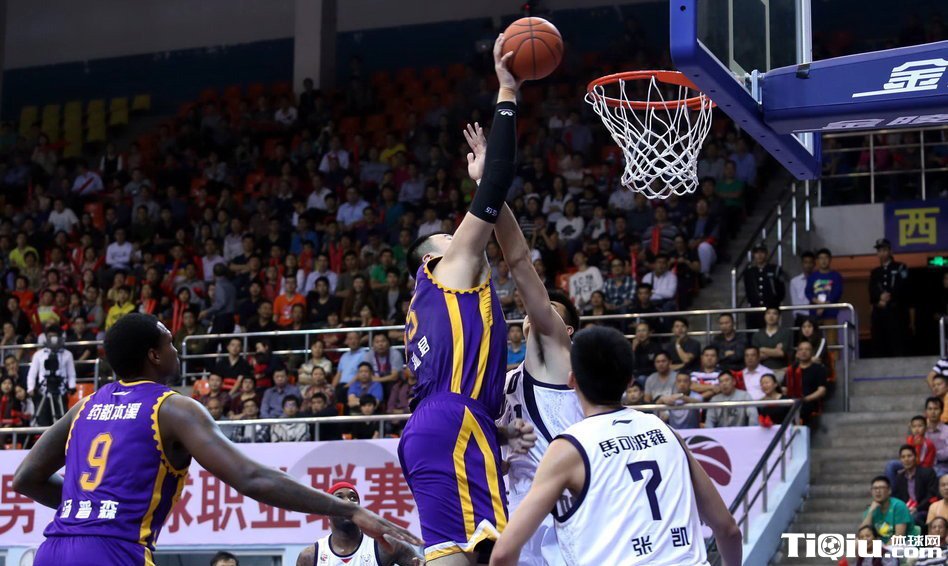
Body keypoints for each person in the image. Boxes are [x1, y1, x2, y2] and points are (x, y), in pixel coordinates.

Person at [13, 313, 420, 565]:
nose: (176, 349)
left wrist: (89, 507)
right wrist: (348, 509)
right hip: (114, 552)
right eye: (170, 342)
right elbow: (252, 478)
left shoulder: (84, 407)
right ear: (154, 355)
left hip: (52, 550)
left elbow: (25, 478)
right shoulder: (172, 408)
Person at [399, 38, 535, 565]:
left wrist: (494, 427)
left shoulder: (422, 306)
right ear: (434, 255)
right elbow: (498, 180)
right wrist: (507, 91)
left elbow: (442, 387)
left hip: (431, 427)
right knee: (492, 555)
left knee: (459, 552)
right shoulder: (450, 265)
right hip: (455, 422)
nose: (461, 235)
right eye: (449, 235)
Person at [489, 326, 742, 566]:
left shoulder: (569, 447)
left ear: (572, 380)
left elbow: (503, 553)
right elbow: (728, 529)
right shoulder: (668, 432)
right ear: (630, 381)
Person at [296, 483, 423, 566]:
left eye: (353, 498)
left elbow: (424, 562)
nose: (348, 502)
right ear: (327, 511)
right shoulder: (310, 557)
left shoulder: (385, 545)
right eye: (339, 498)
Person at [26, 327, 77, 426]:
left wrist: (72, 386)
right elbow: (32, 373)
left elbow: (71, 373)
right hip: (43, 391)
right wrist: (30, 388)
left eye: (55, 336)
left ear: (60, 337)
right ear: (46, 338)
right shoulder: (39, 354)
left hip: (60, 391)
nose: (53, 339)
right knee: (42, 420)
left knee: (61, 422)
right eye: (50, 336)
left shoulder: (67, 354)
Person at [869, 238, 911, 357]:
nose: (882, 253)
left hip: (896, 311)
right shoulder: (875, 272)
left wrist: (890, 296)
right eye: (879, 251)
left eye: (884, 250)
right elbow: (871, 290)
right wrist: (880, 297)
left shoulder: (900, 267)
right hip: (880, 311)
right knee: (879, 341)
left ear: (890, 251)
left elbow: (905, 286)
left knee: (898, 342)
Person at [860, 476, 918, 544]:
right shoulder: (871, 508)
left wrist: (883, 549)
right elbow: (862, 534)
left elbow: (899, 536)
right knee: (857, 543)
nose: (877, 491)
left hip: (905, 544)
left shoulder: (899, 506)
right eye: (875, 488)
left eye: (882, 488)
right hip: (882, 545)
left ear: (889, 491)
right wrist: (870, 511)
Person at [892, 444, 938, 528]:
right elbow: (897, 497)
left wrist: (917, 508)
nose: (906, 459)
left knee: (914, 518)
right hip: (907, 510)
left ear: (916, 458)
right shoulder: (899, 477)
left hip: (924, 509)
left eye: (909, 456)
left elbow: (931, 495)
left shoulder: (927, 473)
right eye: (903, 457)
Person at [784, 340, 828, 427]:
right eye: (801, 349)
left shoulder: (819, 369)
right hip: (792, 401)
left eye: (807, 349)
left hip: (809, 402)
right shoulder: (791, 369)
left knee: (803, 408)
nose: (804, 352)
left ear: (812, 353)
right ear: (797, 353)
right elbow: (784, 388)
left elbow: (822, 391)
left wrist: (805, 399)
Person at [806, 248, 844, 345]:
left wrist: (824, 305)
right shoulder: (812, 276)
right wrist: (817, 302)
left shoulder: (836, 276)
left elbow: (837, 292)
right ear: (817, 260)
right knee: (814, 342)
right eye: (821, 258)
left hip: (830, 314)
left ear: (830, 259)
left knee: (832, 342)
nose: (823, 260)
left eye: (826, 258)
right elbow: (808, 291)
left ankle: (833, 356)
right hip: (814, 314)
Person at [743, 244, 785, 329]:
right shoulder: (749, 272)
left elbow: (781, 290)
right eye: (756, 252)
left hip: (771, 308)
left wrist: (775, 303)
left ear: (766, 254)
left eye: (762, 252)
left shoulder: (775, 269)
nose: (759, 255)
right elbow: (748, 290)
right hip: (755, 309)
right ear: (753, 255)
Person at [751, 307, 792, 376]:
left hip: (780, 370)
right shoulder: (757, 335)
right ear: (764, 316)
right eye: (768, 313)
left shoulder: (785, 333)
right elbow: (756, 356)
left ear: (779, 317)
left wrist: (762, 349)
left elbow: (781, 353)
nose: (771, 316)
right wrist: (774, 351)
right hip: (762, 371)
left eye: (774, 313)